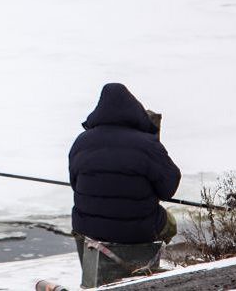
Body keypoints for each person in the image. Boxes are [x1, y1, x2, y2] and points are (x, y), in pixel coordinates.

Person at [68, 83, 181, 265]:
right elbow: (168, 188)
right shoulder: (147, 144)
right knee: (171, 224)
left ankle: (98, 272)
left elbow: (75, 183)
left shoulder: (81, 142)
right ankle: (145, 267)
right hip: (139, 230)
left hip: (88, 229)